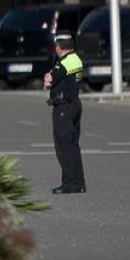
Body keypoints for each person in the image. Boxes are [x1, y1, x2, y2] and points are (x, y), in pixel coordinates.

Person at [46, 34, 85, 194]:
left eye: (56, 46)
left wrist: (48, 80)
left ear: (59, 48)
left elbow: (50, 80)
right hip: (75, 104)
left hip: (63, 107)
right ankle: (79, 182)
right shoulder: (76, 59)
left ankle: (69, 183)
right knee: (73, 145)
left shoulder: (62, 63)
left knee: (64, 147)